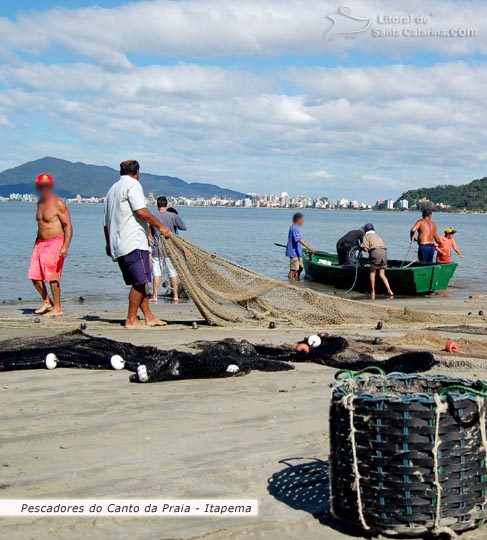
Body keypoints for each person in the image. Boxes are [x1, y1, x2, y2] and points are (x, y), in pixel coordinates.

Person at [104, 160, 172, 329]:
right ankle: (131, 319)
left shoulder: (112, 190)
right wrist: (160, 226)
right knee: (140, 283)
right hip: (133, 241)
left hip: (118, 244)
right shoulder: (133, 185)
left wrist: (108, 244)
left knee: (140, 281)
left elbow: (106, 222)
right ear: (137, 173)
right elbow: (141, 210)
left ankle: (149, 316)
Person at [27, 173, 73, 317]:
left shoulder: (58, 203)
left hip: (55, 242)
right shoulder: (40, 202)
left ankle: (57, 308)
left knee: (53, 277)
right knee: (34, 276)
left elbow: (68, 226)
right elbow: (41, 227)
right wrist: (36, 244)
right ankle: (47, 301)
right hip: (40, 243)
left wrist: (65, 246)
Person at [150, 196, 187, 304]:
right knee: (172, 273)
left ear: (157, 205)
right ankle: (175, 296)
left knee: (156, 273)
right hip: (170, 249)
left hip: (157, 248)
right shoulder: (173, 216)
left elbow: (150, 232)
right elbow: (183, 227)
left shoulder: (153, 217)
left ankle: (155, 296)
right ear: (167, 205)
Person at [362, 223, 394, 300]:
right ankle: (389, 290)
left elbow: (366, 249)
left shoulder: (366, 236)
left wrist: (361, 248)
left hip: (375, 252)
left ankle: (373, 292)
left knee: (373, 272)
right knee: (382, 274)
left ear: (365, 230)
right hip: (384, 252)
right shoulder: (377, 235)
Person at [285, 212, 315, 280]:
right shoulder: (294, 228)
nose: (303, 221)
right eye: (302, 219)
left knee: (300, 267)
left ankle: (297, 279)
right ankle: (290, 283)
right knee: (293, 269)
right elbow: (299, 240)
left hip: (298, 251)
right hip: (293, 252)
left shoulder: (296, 228)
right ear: (298, 220)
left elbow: (300, 239)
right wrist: (309, 247)